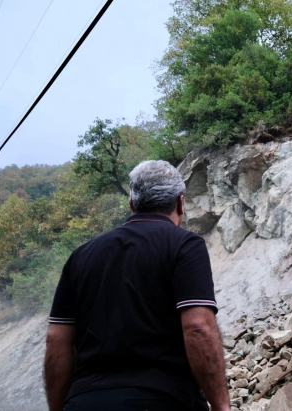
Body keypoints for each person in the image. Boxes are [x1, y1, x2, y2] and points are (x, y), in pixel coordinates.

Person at [44, 160, 231, 411]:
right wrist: (221, 406)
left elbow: (57, 341)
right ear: (180, 203)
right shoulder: (184, 245)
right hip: (163, 398)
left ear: (132, 204)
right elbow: (198, 327)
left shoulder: (81, 255)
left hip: (85, 401)